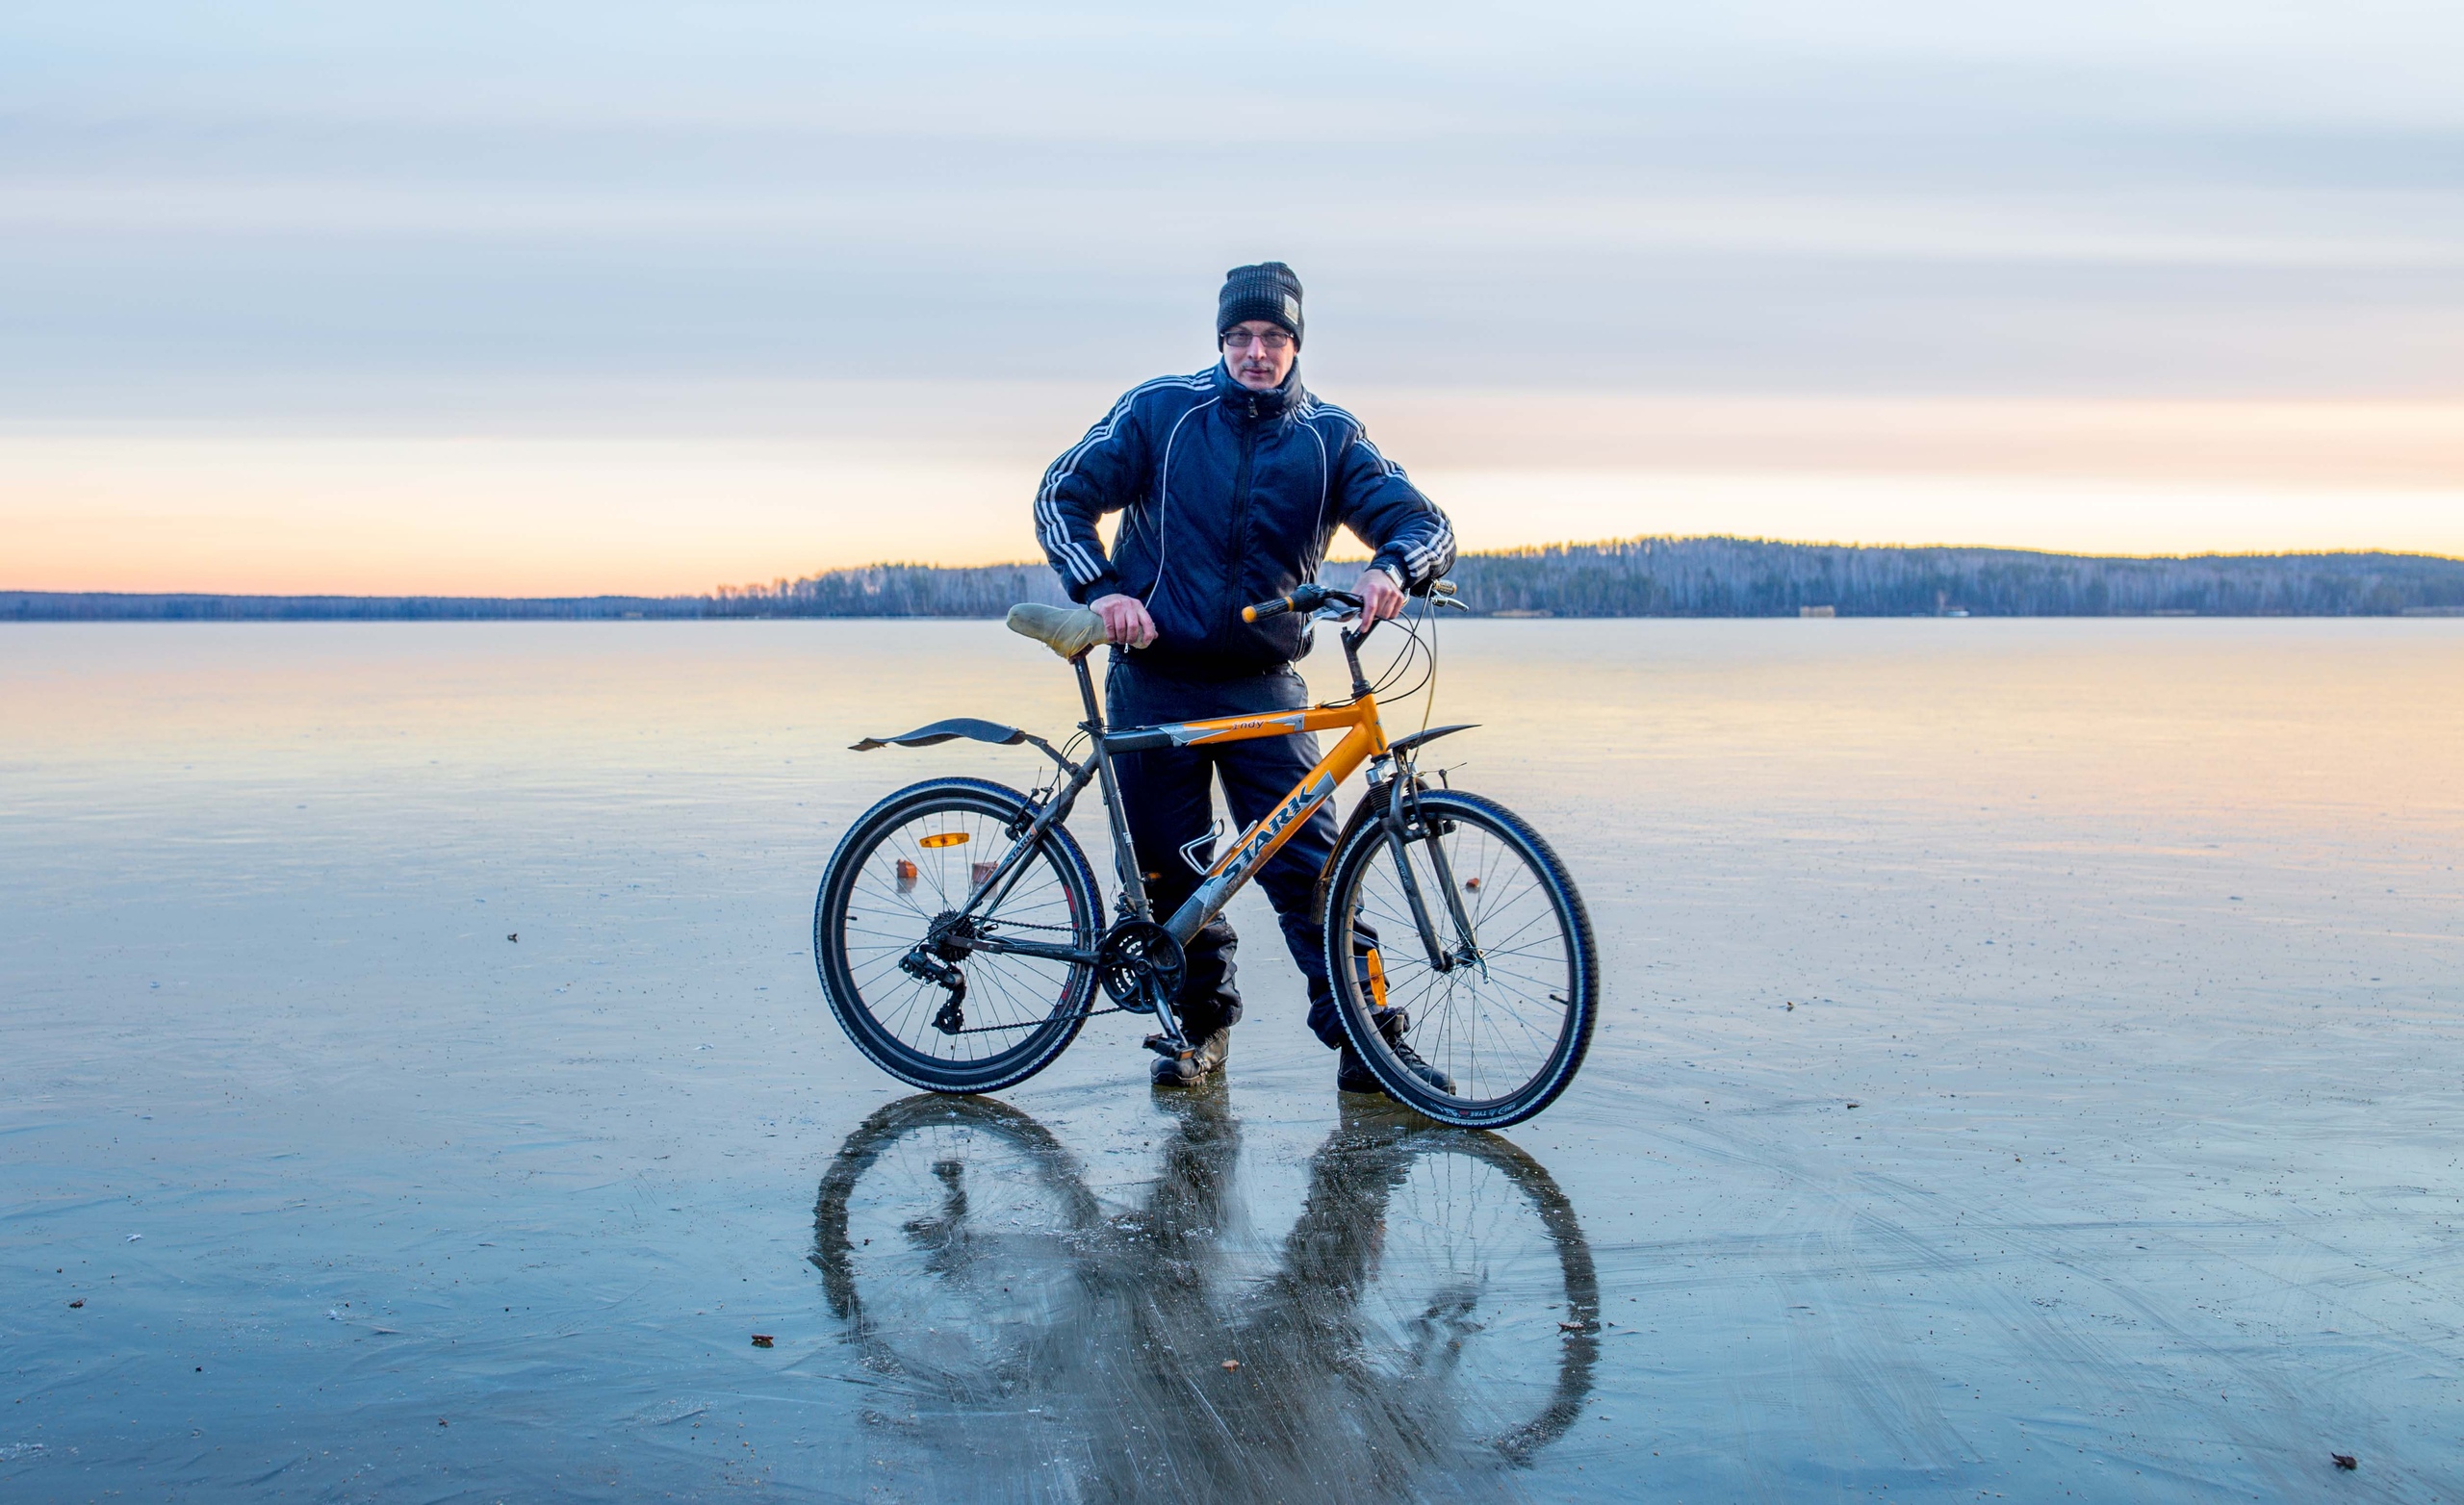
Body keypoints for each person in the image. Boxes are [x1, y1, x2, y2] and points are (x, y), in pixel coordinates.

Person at [1034, 262, 1457, 1094]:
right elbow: (1061, 494)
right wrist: (1103, 591)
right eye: (1241, 338)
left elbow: (1424, 521)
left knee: (1316, 873)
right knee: (1172, 876)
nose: (1256, 353)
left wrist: (1393, 571)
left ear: (1296, 344)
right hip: (1156, 676)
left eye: (1273, 338)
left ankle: (1366, 1045)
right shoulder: (1162, 411)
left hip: (1266, 684)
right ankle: (1200, 1034)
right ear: (1222, 340)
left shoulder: (1329, 437)